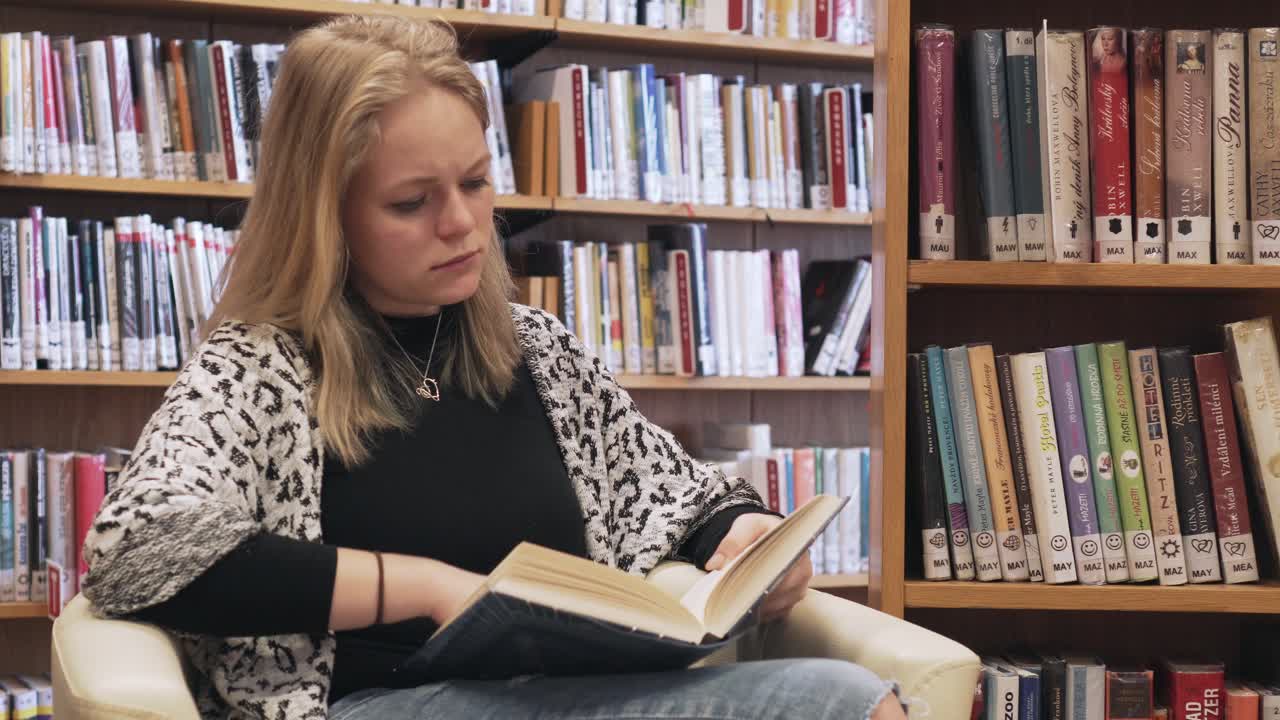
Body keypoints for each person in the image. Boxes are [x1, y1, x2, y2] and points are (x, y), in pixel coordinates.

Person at [80, 14, 904, 720]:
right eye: (412, 202)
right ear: (325, 214)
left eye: (476, 183)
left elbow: (678, 496)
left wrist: (746, 539)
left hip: (558, 698)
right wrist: (426, 586)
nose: (463, 224)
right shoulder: (261, 368)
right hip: (379, 708)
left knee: (853, 696)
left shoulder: (536, 348)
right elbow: (139, 550)